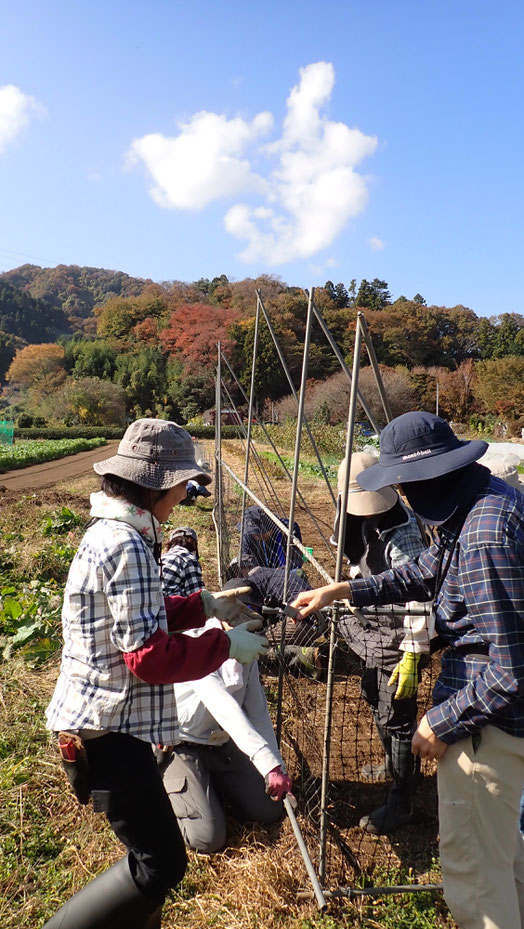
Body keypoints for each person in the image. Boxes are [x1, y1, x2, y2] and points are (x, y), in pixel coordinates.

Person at [293, 412, 524, 929]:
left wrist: (438, 722)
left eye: (401, 482)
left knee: (474, 880)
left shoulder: (486, 534)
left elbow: (513, 669)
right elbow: (427, 572)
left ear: (427, 480)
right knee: (503, 857)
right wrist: (347, 589)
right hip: (486, 713)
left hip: (487, 728)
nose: (400, 493)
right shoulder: (473, 506)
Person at [43, 418, 268, 929]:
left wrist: (200, 606)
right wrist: (224, 642)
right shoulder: (128, 545)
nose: (185, 497)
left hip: (101, 722)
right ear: (158, 485)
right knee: (161, 863)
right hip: (108, 730)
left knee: (152, 855)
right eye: (184, 486)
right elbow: (147, 656)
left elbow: (135, 612)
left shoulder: (112, 531)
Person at [332, 450, 429, 834]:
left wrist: (413, 649)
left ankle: (402, 800)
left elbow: (422, 592)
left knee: (397, 715)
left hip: (400, 629)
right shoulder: (360, 518)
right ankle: (396, 769)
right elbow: (358, 560)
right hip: (374, 622)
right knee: (373, 692)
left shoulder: (401, 530)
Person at [162, 527, 203, 596]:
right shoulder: (188, 559)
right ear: (191, 541)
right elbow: (196, 596)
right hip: (172, 605)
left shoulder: (161, 558)